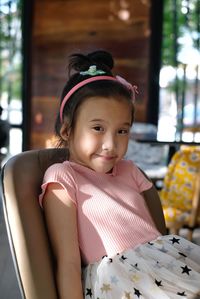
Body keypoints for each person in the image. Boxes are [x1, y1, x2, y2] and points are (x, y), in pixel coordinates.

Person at [39, 50, 200, 299]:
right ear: (67, 130)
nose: (110, 144)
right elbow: (68, 262)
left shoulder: (129, 169)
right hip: (121, 282)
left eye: (122, 131)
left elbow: (158, 232)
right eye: (97, 128)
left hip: (163, 264)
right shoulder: (62, 176)